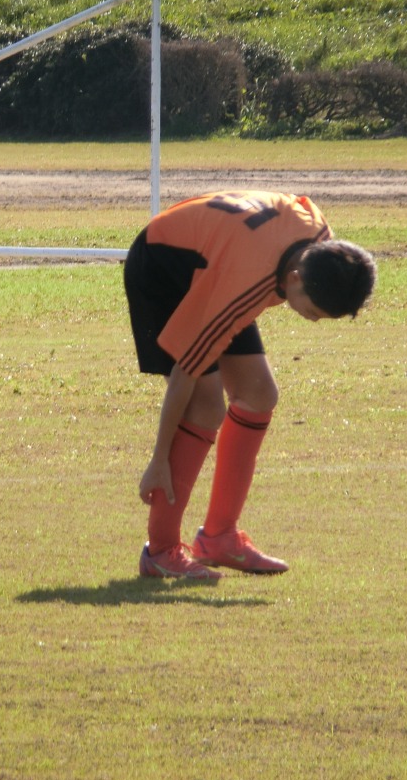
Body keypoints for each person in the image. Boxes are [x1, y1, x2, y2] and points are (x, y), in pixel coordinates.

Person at [124, 190, 376, 579]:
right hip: (163, 268)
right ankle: (160, 551)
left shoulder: (323, 244)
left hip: (223, 260)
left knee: (259, 394)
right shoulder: (245, 282)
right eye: (312, 312)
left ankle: (219, 537)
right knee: (205, 406)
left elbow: (294, 208)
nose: (312, 321)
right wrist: (158, 460)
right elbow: (185, 373)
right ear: (294, 278)